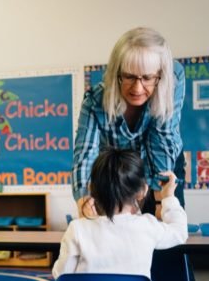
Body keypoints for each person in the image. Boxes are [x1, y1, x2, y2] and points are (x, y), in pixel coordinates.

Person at [72, 27, 185, 219]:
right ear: (117, 73)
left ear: (159, 76)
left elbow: (162, 138)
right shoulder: (95, 101)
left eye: (148, 78)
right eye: (129, 77)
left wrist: (160, 201)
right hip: (117, 170)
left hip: (162, 161)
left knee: (167, 231)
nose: (137, 88)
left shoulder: (171, 79)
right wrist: (85, 203)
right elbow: (85, 155)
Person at [53, 148, 187, 279]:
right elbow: (180, 232)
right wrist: (168, 196)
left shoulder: (77, 229)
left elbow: (61, 275)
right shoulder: (148, 226)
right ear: (143, 191)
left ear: (91, 189)